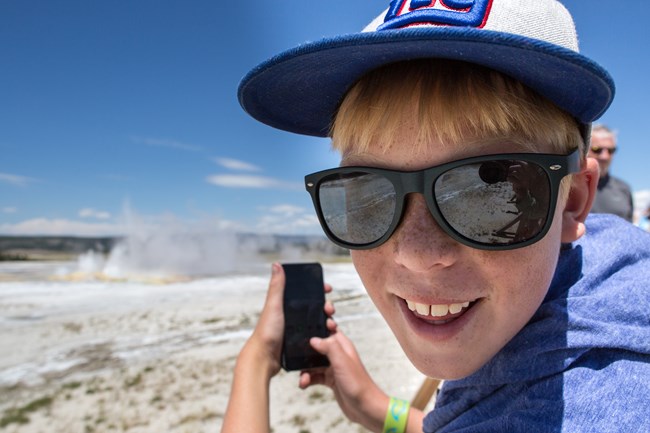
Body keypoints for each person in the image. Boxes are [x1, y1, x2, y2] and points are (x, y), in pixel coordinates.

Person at [223, 1, 650, 432]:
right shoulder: (599, 268)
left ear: (573, 201)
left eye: (487, 192)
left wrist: (256, 362)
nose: (417, 254)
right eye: (368, 194)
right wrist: (373, 406)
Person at [588, 124, 634, 221]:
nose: (605, 156)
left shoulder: (624, 189)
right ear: (585, 149)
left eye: (611, 150)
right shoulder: (569, 188)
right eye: (597, 149)